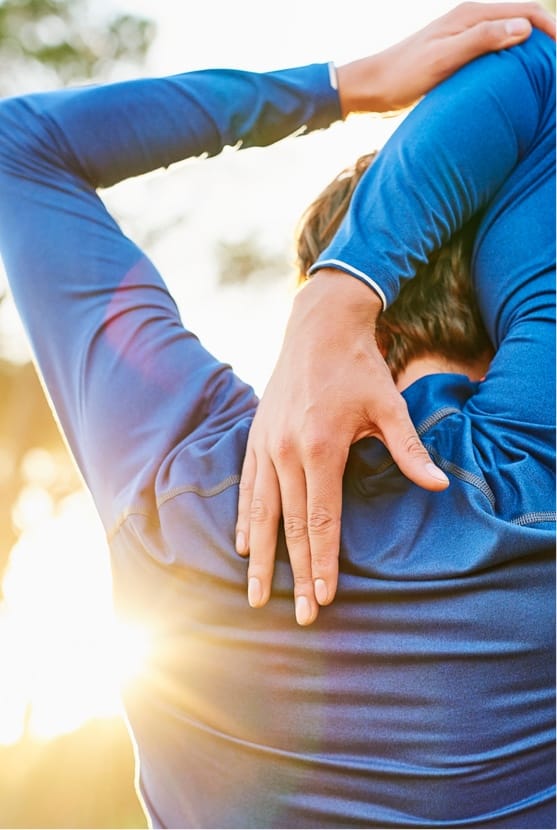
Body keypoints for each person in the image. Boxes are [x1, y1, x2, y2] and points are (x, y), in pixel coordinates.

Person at [0, 3, 554, 829]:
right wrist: (350, 283)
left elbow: (20, 149)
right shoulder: (532, 474)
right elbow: (534, 63)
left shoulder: (182, 488)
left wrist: (347, 87)